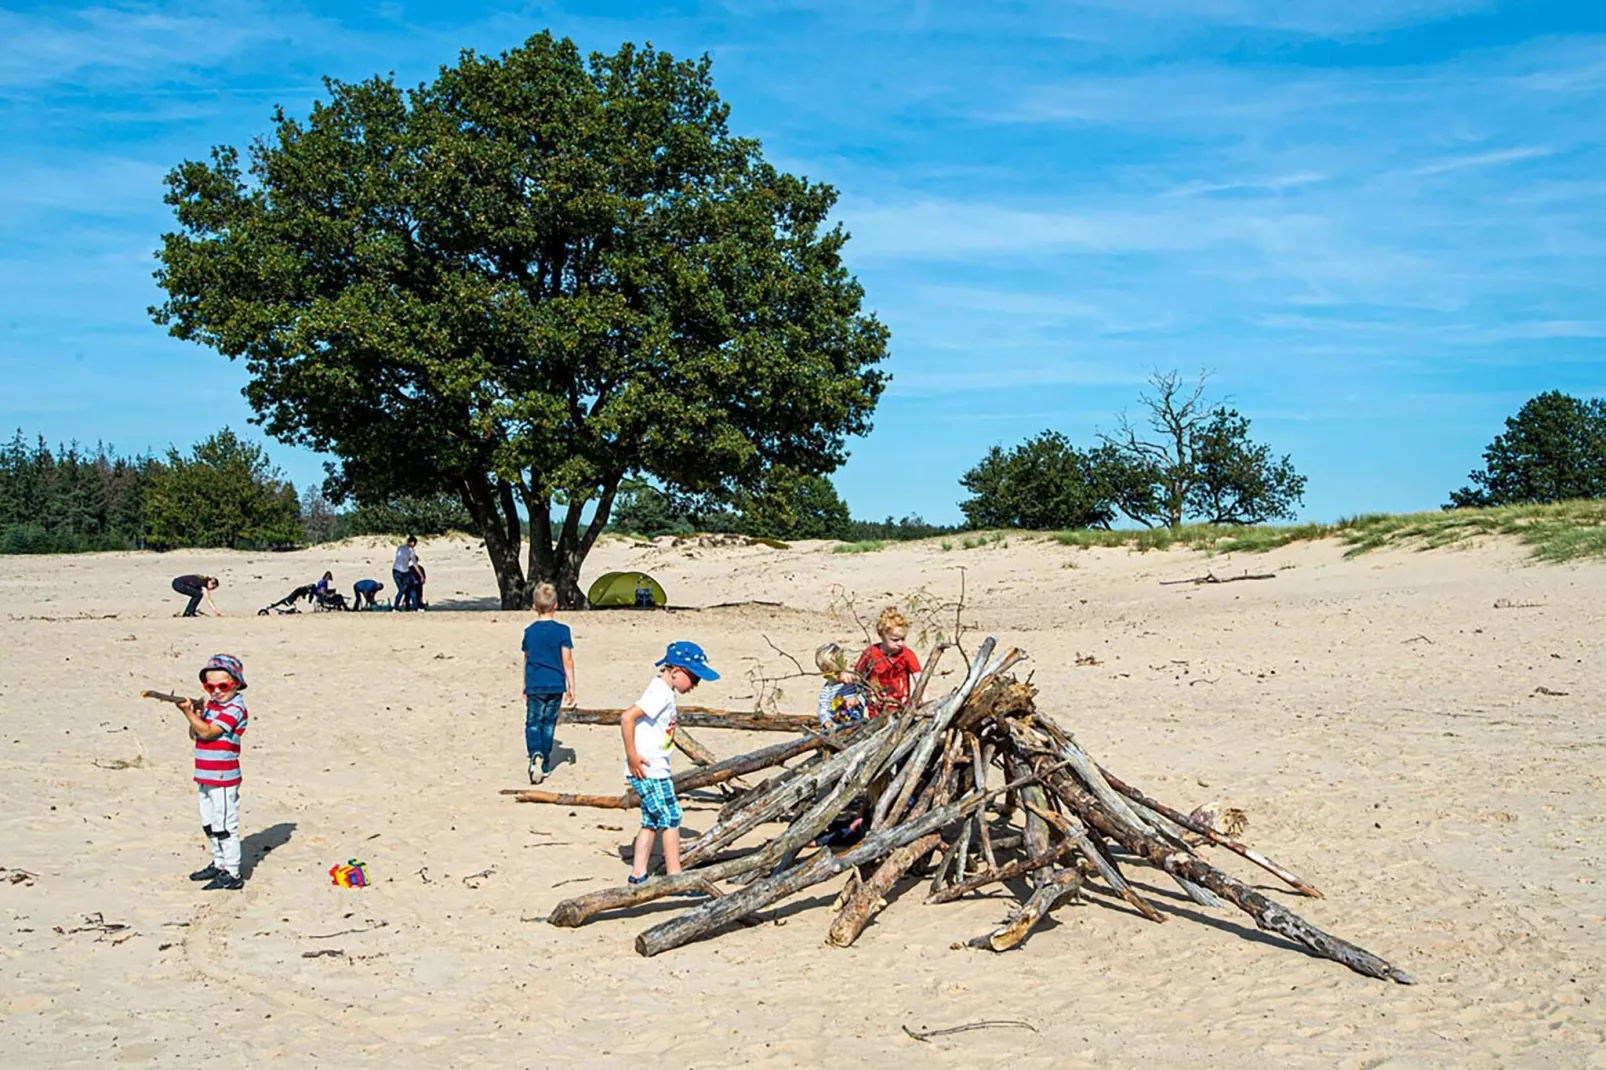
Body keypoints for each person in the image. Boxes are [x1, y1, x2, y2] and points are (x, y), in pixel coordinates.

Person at [622, 641, 719, 885]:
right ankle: (675, 877)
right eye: (693, 679)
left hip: (657, 768)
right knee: (671, 816)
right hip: (647, 769)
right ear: (676, 672)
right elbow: (627, 717)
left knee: (651, 820)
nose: (694, 686)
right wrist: (632, 755)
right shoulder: (659, 692)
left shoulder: (666, 692)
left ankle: (638, 874)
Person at [175, 654, 250, 891]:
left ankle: (233, 872)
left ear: (236, 683)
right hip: (205, 774)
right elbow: (195, 733)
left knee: (225, 826)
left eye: (222, 686)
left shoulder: (236, 707)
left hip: (223, 777)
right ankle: (219, 864)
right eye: (210, 687)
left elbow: (209, 733)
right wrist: (195, 715)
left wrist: (188, 713)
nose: (216, 691)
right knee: (209, 823)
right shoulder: (212, 706)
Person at [521, 583, 576, 784]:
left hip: (535, 682)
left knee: (533, 721)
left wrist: (524, 684)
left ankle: (535, 753)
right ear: (556, 606)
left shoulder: (529, 631)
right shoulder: (563, 631)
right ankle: (544, 764)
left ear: (534, 607)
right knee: (549, 722)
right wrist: (572, 686)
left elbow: (527, 659)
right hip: (555, 683)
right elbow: (567, 660)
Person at [854, 607, 922, 717]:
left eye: (903, 639)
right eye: (895, 640)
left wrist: (922, 698)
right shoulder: (871, 653)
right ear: (882, 636)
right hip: (876, 708)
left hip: (901, 707)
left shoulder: (907, 655)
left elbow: (919, 679)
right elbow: (858, 675)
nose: (900, 643)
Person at [814, 641, 865, 731]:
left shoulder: (852, 680)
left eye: (836, 672)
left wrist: (857, 700)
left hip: (856, 723)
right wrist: (826, 721)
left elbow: (866, 692)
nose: (834, 676)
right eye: (828, 673)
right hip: (837, 726)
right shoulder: (828, 689)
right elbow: (823, 708)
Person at [393, 536, 419, 611]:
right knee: (410, 588)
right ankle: (415, 607)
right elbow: (415, 564)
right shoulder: (411, 550)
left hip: (396, 570)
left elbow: (401, 558)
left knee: (401, 589)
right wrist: (421, 576)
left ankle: (395, 607)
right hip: (402, 571)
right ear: (413, 543)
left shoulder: (400, 548)